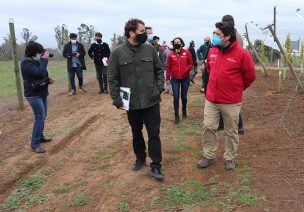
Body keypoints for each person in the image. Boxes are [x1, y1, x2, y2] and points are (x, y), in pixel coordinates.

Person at [108, 18, 165, 180]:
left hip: (151, 100)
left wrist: (158, 88)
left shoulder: (150, 50)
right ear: (131, 33)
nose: (145, 35)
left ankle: (156, 165)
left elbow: (159, 69)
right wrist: (116, 99)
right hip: (131, 102)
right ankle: (140, 158)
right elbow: (112, 78)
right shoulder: (117, 53)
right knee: (136, 132)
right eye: (141, 32)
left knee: (154, 133)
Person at [197, 21, 256, 170]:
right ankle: (208, 155)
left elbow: (250, 76)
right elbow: (210, 70)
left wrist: (237, 88)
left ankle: (229, 157)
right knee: (209, 126)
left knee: (231, 130)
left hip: (231, 101)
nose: (214, 36)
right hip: (211, 99)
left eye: (218, 34)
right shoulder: (213, 51)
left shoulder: (242, 54)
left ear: (228, 37)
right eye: (214, 33)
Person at [21, 41, 55, 153]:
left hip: (41, 92)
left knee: (43, 116)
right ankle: (35, 144)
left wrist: (48, 80)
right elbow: (39, 72)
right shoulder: (26, 63)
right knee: (40, 117)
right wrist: (44, 60)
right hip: (33, 95)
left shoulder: (35, 61)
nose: (41, 55)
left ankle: (40, 137)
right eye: (39, 53)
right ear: (33, 53)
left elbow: (42, 74)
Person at [218, 14, 245, 134]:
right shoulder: (238, 35)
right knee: (229, 101)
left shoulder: (232, 37)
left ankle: (238, 126)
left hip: (230, 72)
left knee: (230, 102)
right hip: (233, 73)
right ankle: (226, 124)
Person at [166, 37, 193, 124]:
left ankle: (184, 109)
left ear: (181, 43)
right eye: (175, 42)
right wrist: (167, 78)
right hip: (175, 79)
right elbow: (168, 67)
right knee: (176, 97)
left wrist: (186, 69)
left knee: (184, 97)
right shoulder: (171, 54)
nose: (176, 43)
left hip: (185, 78)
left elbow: (191, 63)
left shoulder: (187, 52)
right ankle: (176, 115)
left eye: (178, 42)